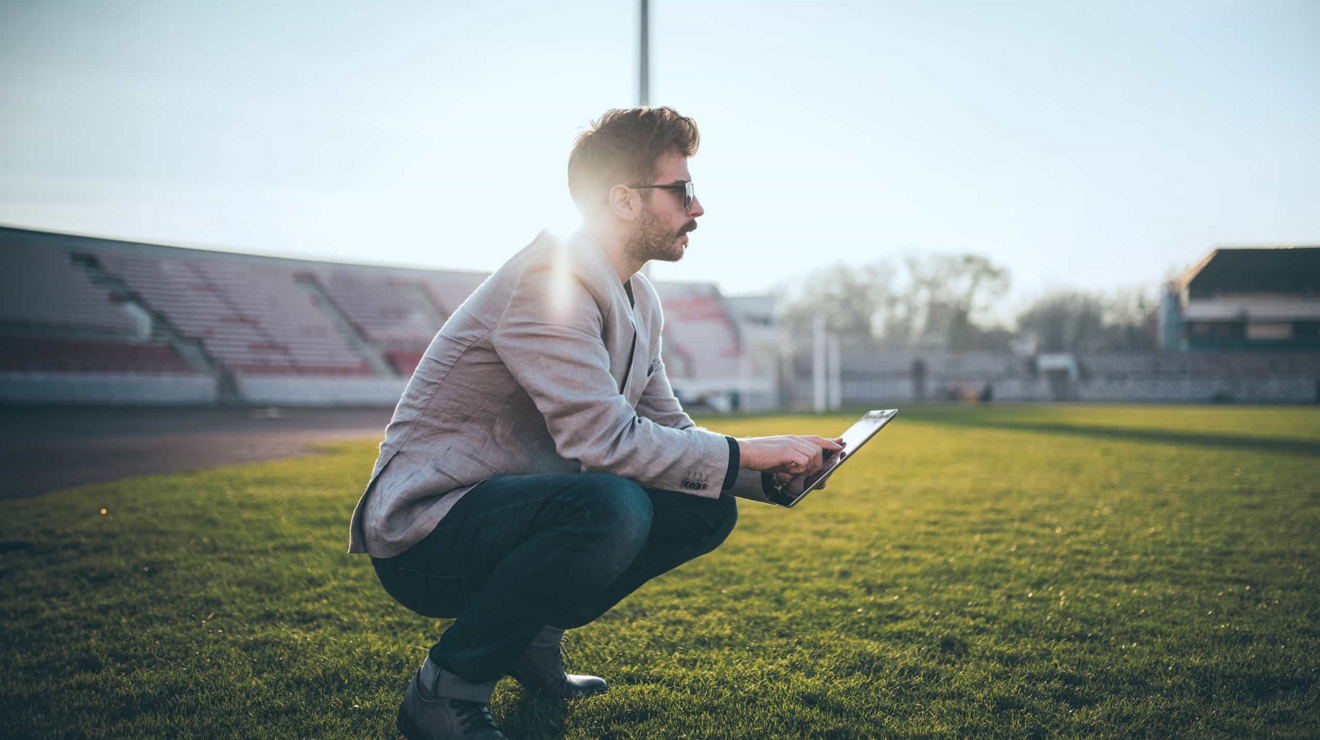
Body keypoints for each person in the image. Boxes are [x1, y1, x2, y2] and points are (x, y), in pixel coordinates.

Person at [348, 107, 841, 740]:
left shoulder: (639, 297)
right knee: (611, 505)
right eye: (682, 190)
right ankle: (444, 692)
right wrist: (747, 451)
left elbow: (669, 429)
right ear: (624, 200)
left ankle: (528, 640)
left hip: (508, 512)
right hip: (428, 531)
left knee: (705, 506)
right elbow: (604, 443)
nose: (698, 208)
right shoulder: (549, 279)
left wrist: (771, 478)